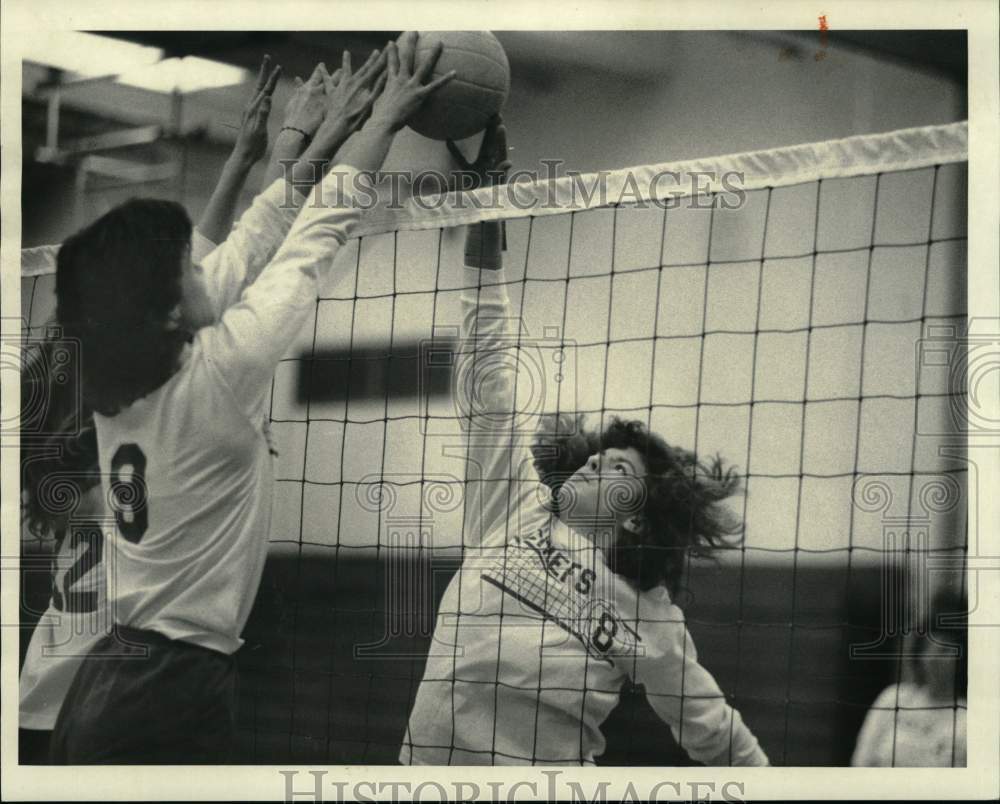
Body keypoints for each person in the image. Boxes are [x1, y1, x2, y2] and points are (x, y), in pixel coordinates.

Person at [48, 33, 454, 764]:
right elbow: (313, 237)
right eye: (186, 266)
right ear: (167, 311)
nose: (205, 263)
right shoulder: (222, 373)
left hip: (112, 673)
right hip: (168, 689)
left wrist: (322, 135)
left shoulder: (127, 385)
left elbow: (255, 235)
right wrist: (382, 125)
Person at [400, 119, 769, 766]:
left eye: (619, 466)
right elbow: (488, 377)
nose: (597, 458)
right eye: (600, 453)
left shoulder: (648, 616)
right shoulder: (513, 507)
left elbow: (716, 732)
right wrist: (487, 210)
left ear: (637, 518)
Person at [18, 55, 289, 763]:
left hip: (71, 690)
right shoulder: (125, 466)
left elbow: (196, 261)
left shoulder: (112, 453)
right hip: (88, 690)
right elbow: (198, 273)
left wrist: (242, 159)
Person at [851, 586, 967, 767]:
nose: (933, 658)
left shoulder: (969, 718)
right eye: (928, 648)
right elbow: (860, 763)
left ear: (963, 659)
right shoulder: (893, 698)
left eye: (945, 650)